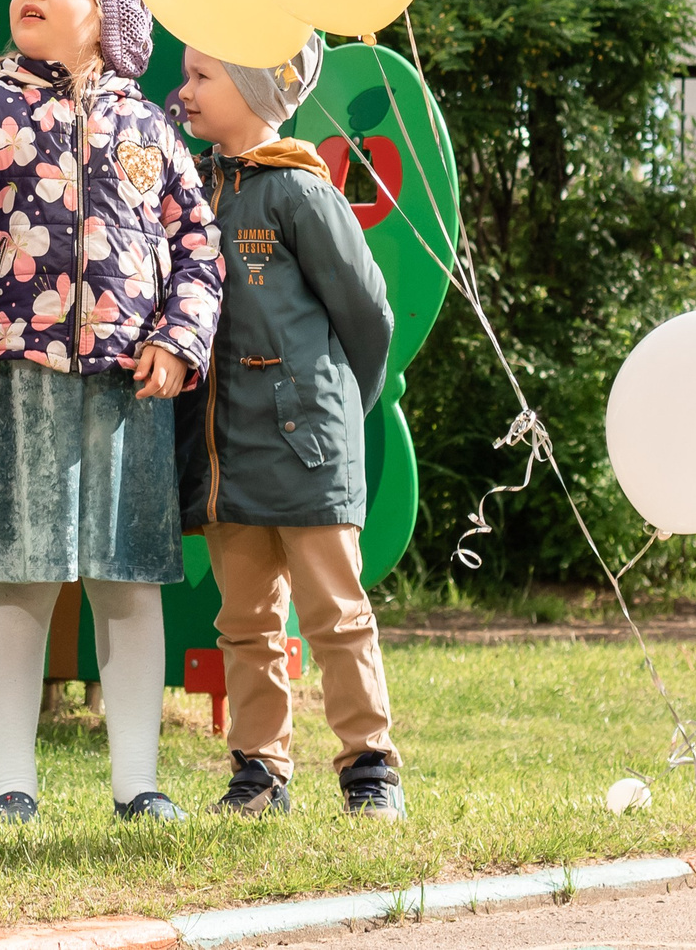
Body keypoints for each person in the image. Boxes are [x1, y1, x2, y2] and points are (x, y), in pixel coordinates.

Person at [0, 0, 225, 823]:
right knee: (20, 574)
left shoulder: (149, 125)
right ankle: (12, 783)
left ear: (108, 19)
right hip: (21, 365)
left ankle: (138, 783)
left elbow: (198, 246)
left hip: (130, 380)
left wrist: (179, 339)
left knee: (128, 579)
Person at [169, 40, 405, 820]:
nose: (186, 88)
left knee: (336, 612)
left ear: (254, 88)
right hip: (227, 451)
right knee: (245, 621)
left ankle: (369, 765)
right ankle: (259, 769)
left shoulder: (300, 193)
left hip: (308, 446)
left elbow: (367, 315)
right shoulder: (194, 188)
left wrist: (336, 413)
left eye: (203, 75)